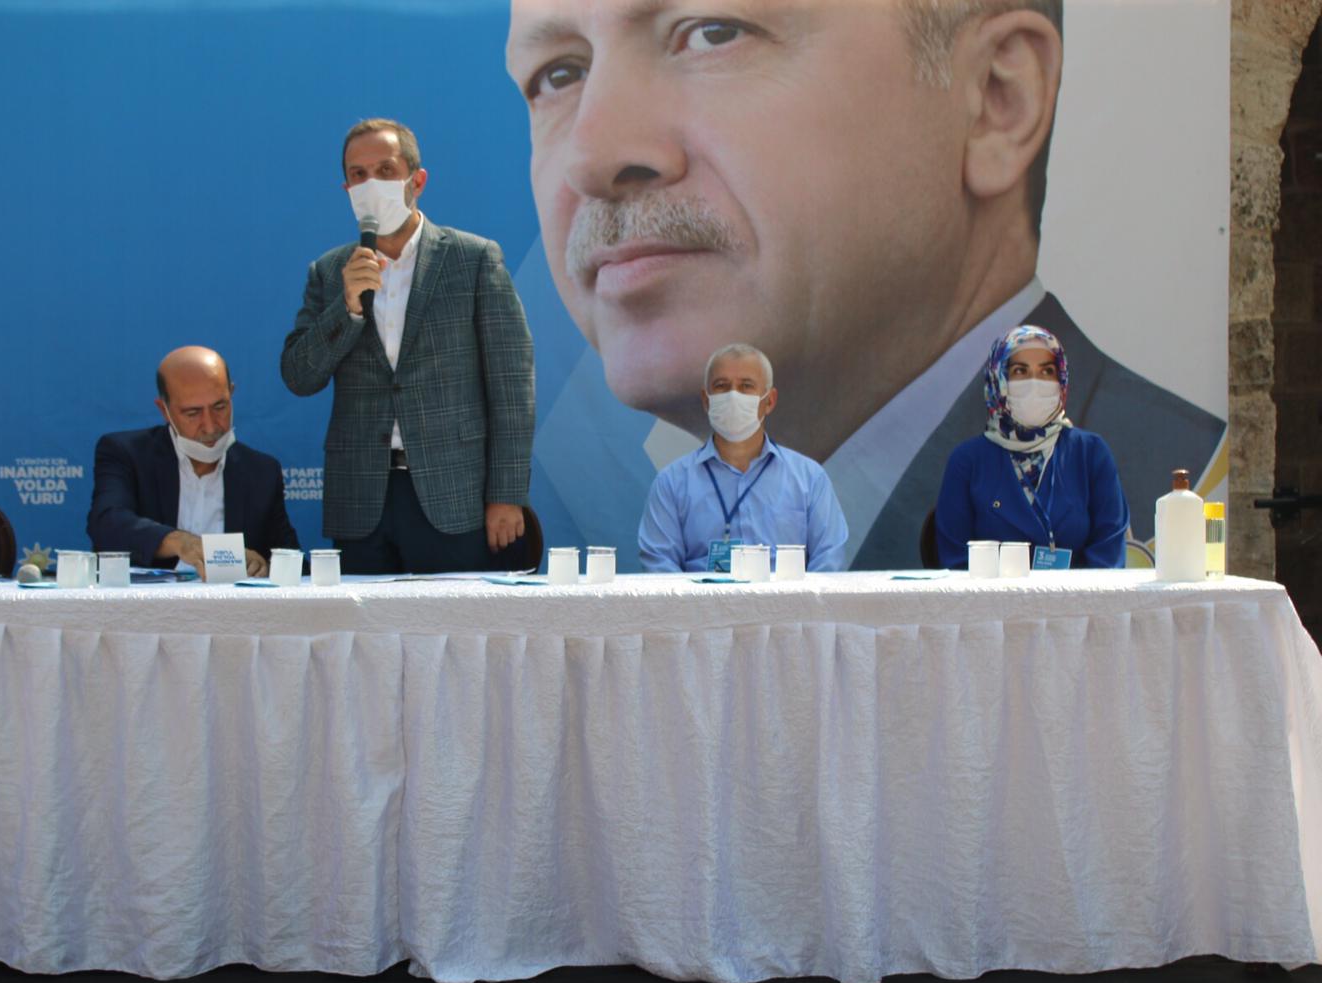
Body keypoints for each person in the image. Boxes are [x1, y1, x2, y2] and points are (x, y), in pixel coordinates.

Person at [505, 0, 1223, 567]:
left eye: (713, 32)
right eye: (559, 75)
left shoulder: (1155, 513)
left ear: (995, 100)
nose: (590, 157)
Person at [280, 118, 536, 575]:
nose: (371, 184)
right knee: (361, 623)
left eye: (385, 170)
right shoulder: (330, 272)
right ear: (346, 189)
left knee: (453, 621)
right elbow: (299, 377)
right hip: (361, 499)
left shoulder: (474, 259)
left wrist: (507, 494)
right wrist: (347, 308)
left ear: (417, 180)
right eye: (358, 175)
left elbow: (512, 386)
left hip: (454, 493)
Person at [87, 346, 299, 577]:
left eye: (219, 407)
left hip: (231, 599)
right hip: (147, 599)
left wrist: (265, 568)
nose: (210, 426)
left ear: (231, 393)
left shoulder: (261, 471)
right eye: (192, 413)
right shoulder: (127, 454)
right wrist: (181, 542)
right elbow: (107, 524)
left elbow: (291, 560)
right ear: (164, 410)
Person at [638, 344, 848, 573]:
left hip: (785, 596)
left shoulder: (810, 478)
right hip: (702, 596)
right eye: (722, 386)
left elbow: (829, 559)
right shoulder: (671, 483)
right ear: (706, 400)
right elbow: (659, 563)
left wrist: (793, 598)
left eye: (746, 386)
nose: (733, 396)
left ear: (769, 401)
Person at [934, 325, 1128, 568]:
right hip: (991, 593)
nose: (1035, 383)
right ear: (997, 379)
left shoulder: (1090, 453)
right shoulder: (968, 460)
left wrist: (1069, 593)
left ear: (1061, 379)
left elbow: (1108, 556)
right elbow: (956, 561)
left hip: (1079, 593)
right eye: (1020, 371)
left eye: (1047, 371)